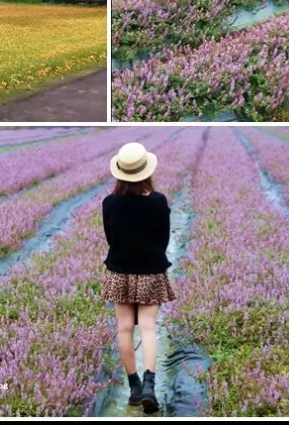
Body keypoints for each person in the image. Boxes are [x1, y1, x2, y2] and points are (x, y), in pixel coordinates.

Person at [101, 142, 175, 413]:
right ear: (146, 172)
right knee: (147, 327)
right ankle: (149, 386)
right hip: (150, 271)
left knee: (124, 329)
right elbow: (164, 238)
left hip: (119, 271)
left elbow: (110, 238)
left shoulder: (109, 202)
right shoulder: (157, 201)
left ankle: (133, 387)